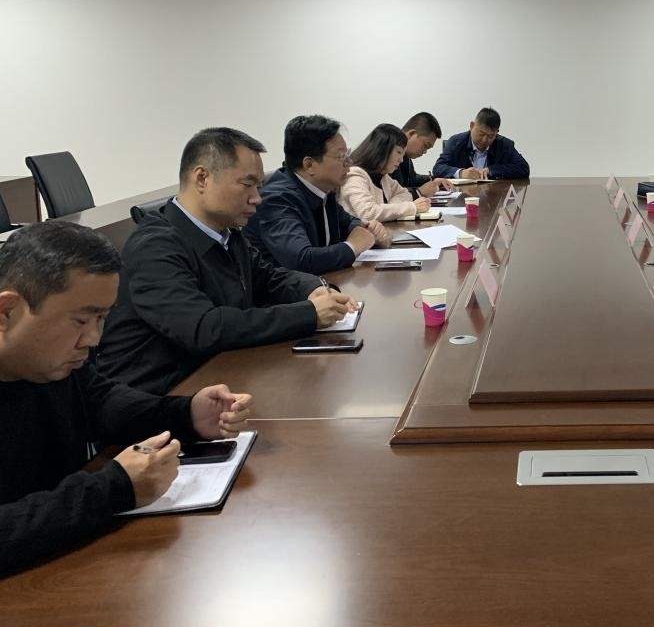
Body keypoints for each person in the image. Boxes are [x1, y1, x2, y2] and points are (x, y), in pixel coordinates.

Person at [0, 221, 253, 576]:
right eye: (81, 320)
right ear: (7, 312)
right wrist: (114, 488)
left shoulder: (51, 364)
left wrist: (186, 414)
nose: (94, 339)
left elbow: (103, 400)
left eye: (102, 318)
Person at [95, 128, 356, 394]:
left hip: (218, 377)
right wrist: (308, 314)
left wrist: (312, 288)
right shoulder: (154, 247)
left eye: (259, 186)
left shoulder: (226, 232)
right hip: (161, 398)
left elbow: (268, 277)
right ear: (202, 178)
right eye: (247, 184)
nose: (257, 198)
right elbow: (204, 328)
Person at [243, 115, 391, 274]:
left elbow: (348, 222)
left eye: (347, 153)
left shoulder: (323, 189)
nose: (349, 162)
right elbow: (301, 260)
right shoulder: (277, 200)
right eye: (341, 156)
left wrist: (368, 230)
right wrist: (352, 246)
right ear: (309, 164)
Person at [341, 123, 431, 222]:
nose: (401, 160)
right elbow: (368, 214)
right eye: (399, 152)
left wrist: (391, 207)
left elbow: (405, 193)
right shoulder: (354, 176)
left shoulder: (383, 178)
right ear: (382, 149)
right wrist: (411, 207)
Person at [432, 107, 530, 180]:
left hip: (494, 195)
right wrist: (461, 173)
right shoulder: (455, 142)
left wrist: (491, 170)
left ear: (496, 133)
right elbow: (438, 168)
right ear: (472, 126)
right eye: (481, 133)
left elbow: (523, 168)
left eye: (491, 136)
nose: (484, 140)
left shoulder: (504, 145)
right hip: (462, 196)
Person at [391, 111, 455, 199]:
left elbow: (412, 179)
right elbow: (387, 194)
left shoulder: (406, 156)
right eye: (425, 145)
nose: (425, 152)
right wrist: (418, 192)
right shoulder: (387, 153)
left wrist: (433, 180)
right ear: (411, 134)